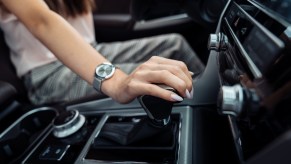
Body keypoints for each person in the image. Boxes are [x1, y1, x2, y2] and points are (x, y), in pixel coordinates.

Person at [0, 0, 205, 105]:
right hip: (48, 74)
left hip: (91, 50)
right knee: (154, 81)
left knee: (174, 44)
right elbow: (42, 21)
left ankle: (208, 99)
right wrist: (115, 82)